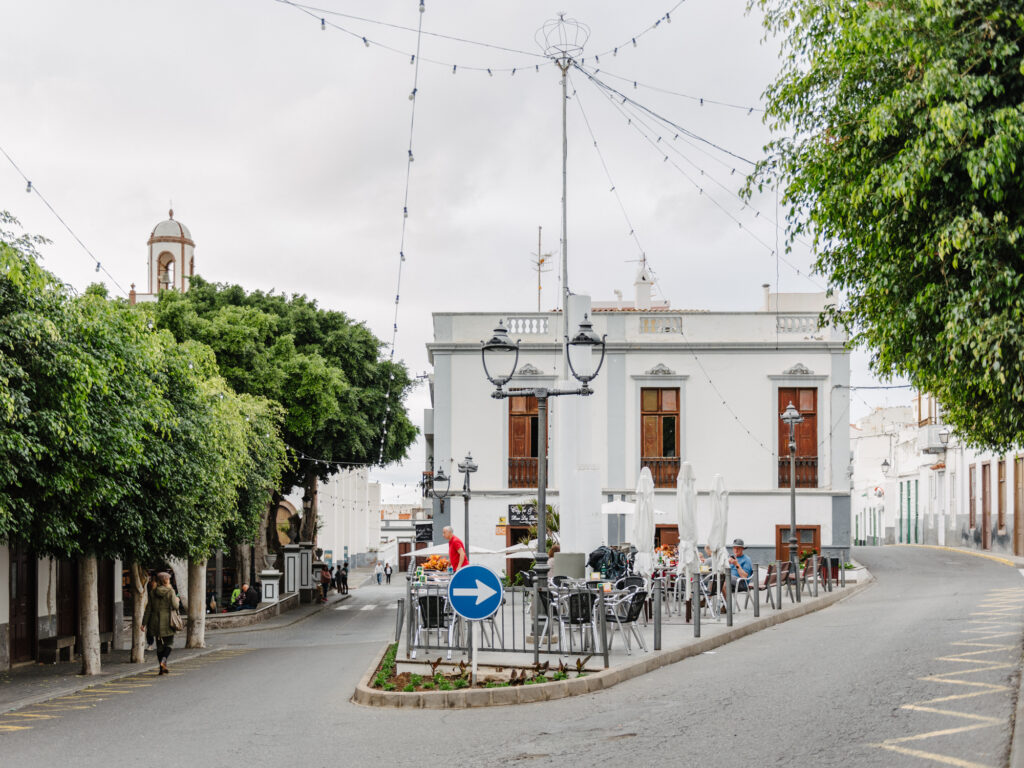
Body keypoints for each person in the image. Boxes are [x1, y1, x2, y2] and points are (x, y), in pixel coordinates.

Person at [141, 571, 180, 675]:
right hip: (168, 622)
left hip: (155, 622)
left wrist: (143, 623)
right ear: (166, 580)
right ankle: (164, 660)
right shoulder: (170, 591)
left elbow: (148, 609)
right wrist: (177, 600)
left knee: (159, 646)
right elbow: (175, 606)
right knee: (170, 643)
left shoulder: (152, 593)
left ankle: (161, 669)